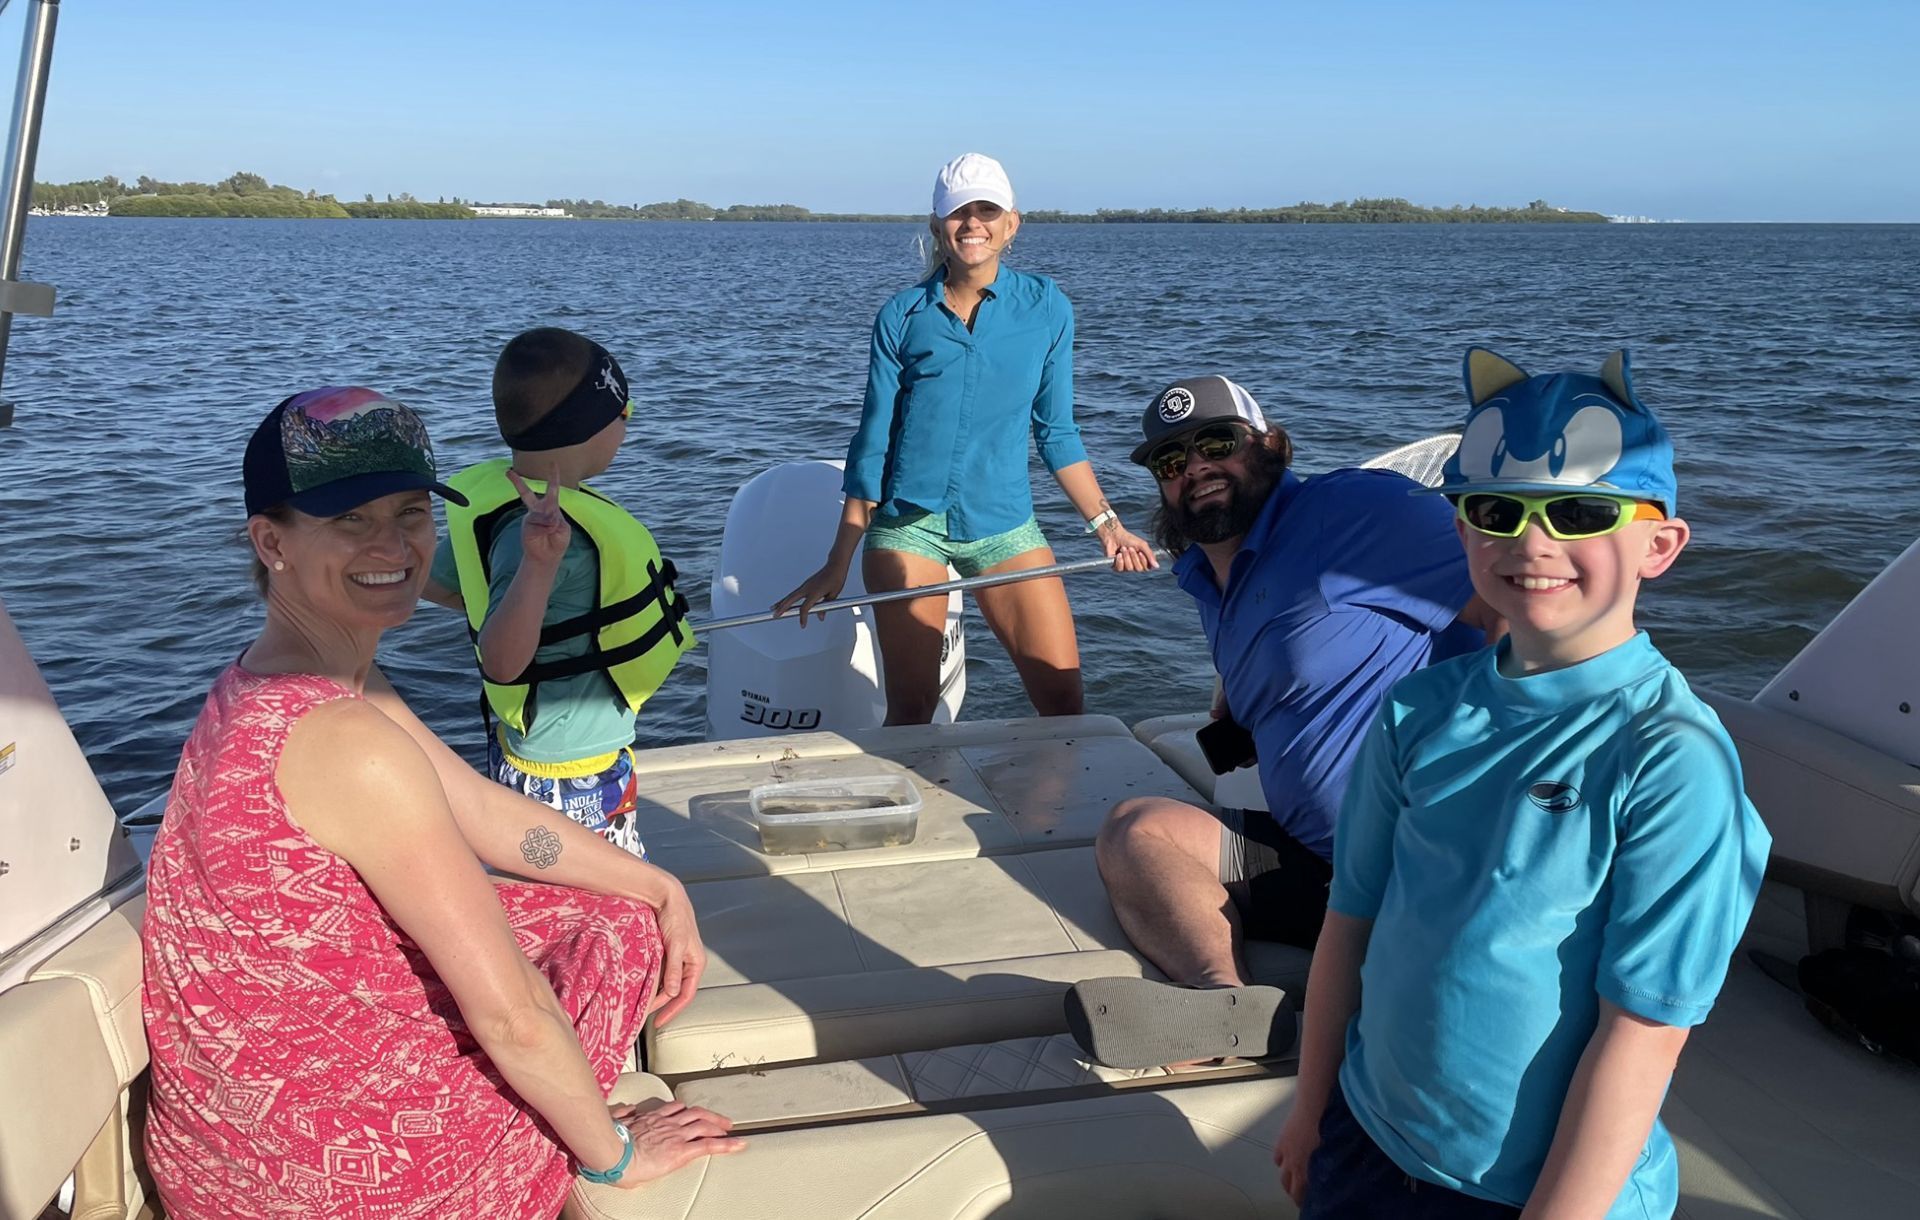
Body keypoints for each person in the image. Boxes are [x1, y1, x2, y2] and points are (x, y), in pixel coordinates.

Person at [142, 387, 740, 1220]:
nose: (394, 544)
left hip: (234, 1147)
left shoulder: (278, 677)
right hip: (333, 1184)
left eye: (411, 512)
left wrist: (657, 887)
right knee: (605, 951)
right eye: (352, 520)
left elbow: (475, 807)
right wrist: (614, 1157)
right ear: (269, 541)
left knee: (620, 913)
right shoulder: (348, 742)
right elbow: (515, 1019)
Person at [1273, 349, 1772, 1218]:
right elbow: (1350, 925)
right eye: (1496, 510)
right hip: (1366, 1139)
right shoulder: (1416, 709)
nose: (1533, 543)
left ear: (1661, 545)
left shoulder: (1674, 757)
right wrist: (1314, 1106)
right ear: (1461, 531)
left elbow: (1643, 1034)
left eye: (1581, 512)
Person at [1069, 374, 1491, 1069]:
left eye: (1216, 444)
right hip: (1309, 863)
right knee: (1138, 831)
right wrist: (1235, 704)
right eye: (1172, 462)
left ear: (1272, 446)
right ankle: (1225, 1005)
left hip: (1415, 868)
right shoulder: (1207, 576)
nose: (1195, 467)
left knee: (1425, 1015)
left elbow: (1510, 615)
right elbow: (1296, 646)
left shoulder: (1361, 511)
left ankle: (1404, 984)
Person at [772, 152, 1157, 724]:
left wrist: (1108, 524)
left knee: (1064, 702)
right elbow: (872, 441)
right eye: (959, 213)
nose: (973, 223)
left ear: (1012, 223)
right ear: (936, 226)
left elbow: (1057, 433)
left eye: (987, 210)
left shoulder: (1047, 308)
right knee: (912, 708)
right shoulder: (902, 316)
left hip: (1004, 525)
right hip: (907, 528)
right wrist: (838, 561)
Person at [423, 328, 694, 859]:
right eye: (625, 413)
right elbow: (503, 663)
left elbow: (432, 580)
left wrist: (510, 605)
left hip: (541, 754)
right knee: (601, 893)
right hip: (568, 774)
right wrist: (536, 572)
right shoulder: (547, 541)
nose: (627, 426)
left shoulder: (501, 502)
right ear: (589, 428)